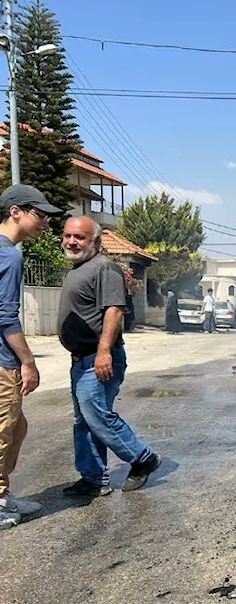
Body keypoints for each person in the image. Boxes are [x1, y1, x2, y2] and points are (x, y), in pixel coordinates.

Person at [59, 217, 161, 496]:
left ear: (96, 241)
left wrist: (104, 352)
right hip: (81, 359)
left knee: (98, 416)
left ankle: (143, 458)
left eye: (79, 237)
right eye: (67, 235)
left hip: (99, 357)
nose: (71, 241)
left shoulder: (104, 268)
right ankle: (93, 477)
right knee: (85, 420)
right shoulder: (78, 270)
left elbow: (114, 311)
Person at [0, 185, 61, 528]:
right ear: (16, 212)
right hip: (3, 361)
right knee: (5, 429)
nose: (45, 224)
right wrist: (28, 362)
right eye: (40, 216)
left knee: (17, 427)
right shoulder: (10, 255)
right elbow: (6, 315)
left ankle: (3, 494)